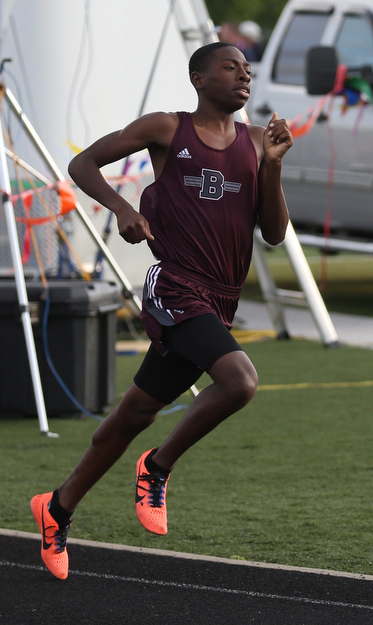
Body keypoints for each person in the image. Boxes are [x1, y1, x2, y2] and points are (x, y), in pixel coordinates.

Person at [30, 41, 293, 580]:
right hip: (174, 285)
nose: (244, 76)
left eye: (248, 70)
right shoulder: (167, 128)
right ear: (198, 79)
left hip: (219, 301)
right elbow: (83, 164)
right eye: (231, 67)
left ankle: (55, 508)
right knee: (240, 381)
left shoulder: (257, 144)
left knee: (134, 415)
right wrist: (124, 207)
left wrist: (272, 167)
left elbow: (273, 233)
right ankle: (157, 466)